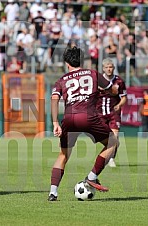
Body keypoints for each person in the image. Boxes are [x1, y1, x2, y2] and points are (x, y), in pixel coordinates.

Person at [48, 46, 118, 201]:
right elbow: (112, 90)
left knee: (64, 154)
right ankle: (92, 177)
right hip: (89, 116)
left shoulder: (62, 80)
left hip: (69, 118)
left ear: (67, 63)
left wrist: (55, 122)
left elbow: (54, 99)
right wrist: (106, 91)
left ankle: (53, 192)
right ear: (82, 60)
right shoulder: (93, 74)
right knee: (113, 142)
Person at [97, 58, 127, 168]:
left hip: (114, 114)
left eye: (111, 67)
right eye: (107, 67)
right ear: (103, 69)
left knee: (114, 137)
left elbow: (124, 97)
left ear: (113, 68)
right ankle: (106, 154)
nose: (109, 69)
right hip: (100, 114)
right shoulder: (98, 80)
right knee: (107, 139)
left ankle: (111, 158)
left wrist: (119, 105)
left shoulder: (119, 81)